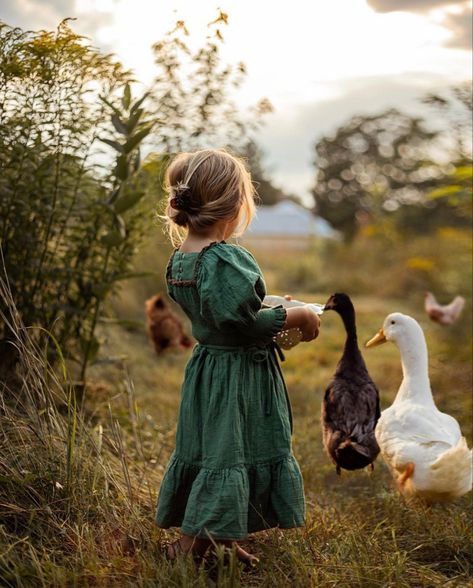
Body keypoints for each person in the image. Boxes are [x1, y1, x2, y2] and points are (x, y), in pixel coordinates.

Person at [156, 148, 320, 565]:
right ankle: (190, 546)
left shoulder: (182, 259)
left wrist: (267, 304)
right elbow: (246, 325)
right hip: (238, 374)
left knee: (219, 449)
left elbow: (226, 312)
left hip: (209, 368)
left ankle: (223, 541)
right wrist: (296, 314)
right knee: (228, 453)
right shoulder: (225, 258)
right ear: (233, 206)